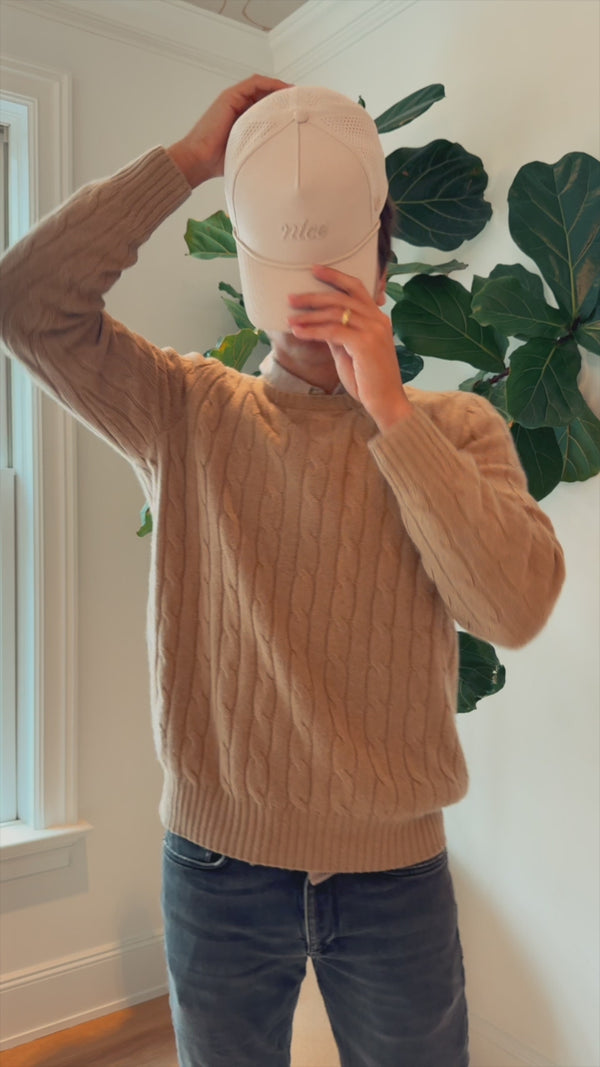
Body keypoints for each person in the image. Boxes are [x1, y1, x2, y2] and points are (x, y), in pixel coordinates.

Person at [0, 75, 565, 1067]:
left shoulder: (455, 427)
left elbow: (512, 607)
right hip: (218, 865)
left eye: (336, 261)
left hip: (394, 874)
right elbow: (25, 303)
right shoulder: (187, 410)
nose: (312, 298)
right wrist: (186, 163)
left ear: (382, 261)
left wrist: (392, 414)